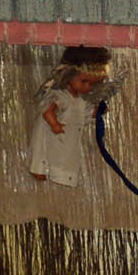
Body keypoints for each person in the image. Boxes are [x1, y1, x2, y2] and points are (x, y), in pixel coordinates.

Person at [28, 46, 110, 187]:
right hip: (55, 132)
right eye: (84, 81)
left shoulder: (79, 100)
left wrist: (99, 111)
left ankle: (53, 173)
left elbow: (83, 113)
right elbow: (48, 110)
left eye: (91, 84)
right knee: (44, 151)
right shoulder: (60, 96)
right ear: (68, 75)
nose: (87, 87)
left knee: (64, 157)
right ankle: (39, 169)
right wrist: (54, 124)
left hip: (67, 135)